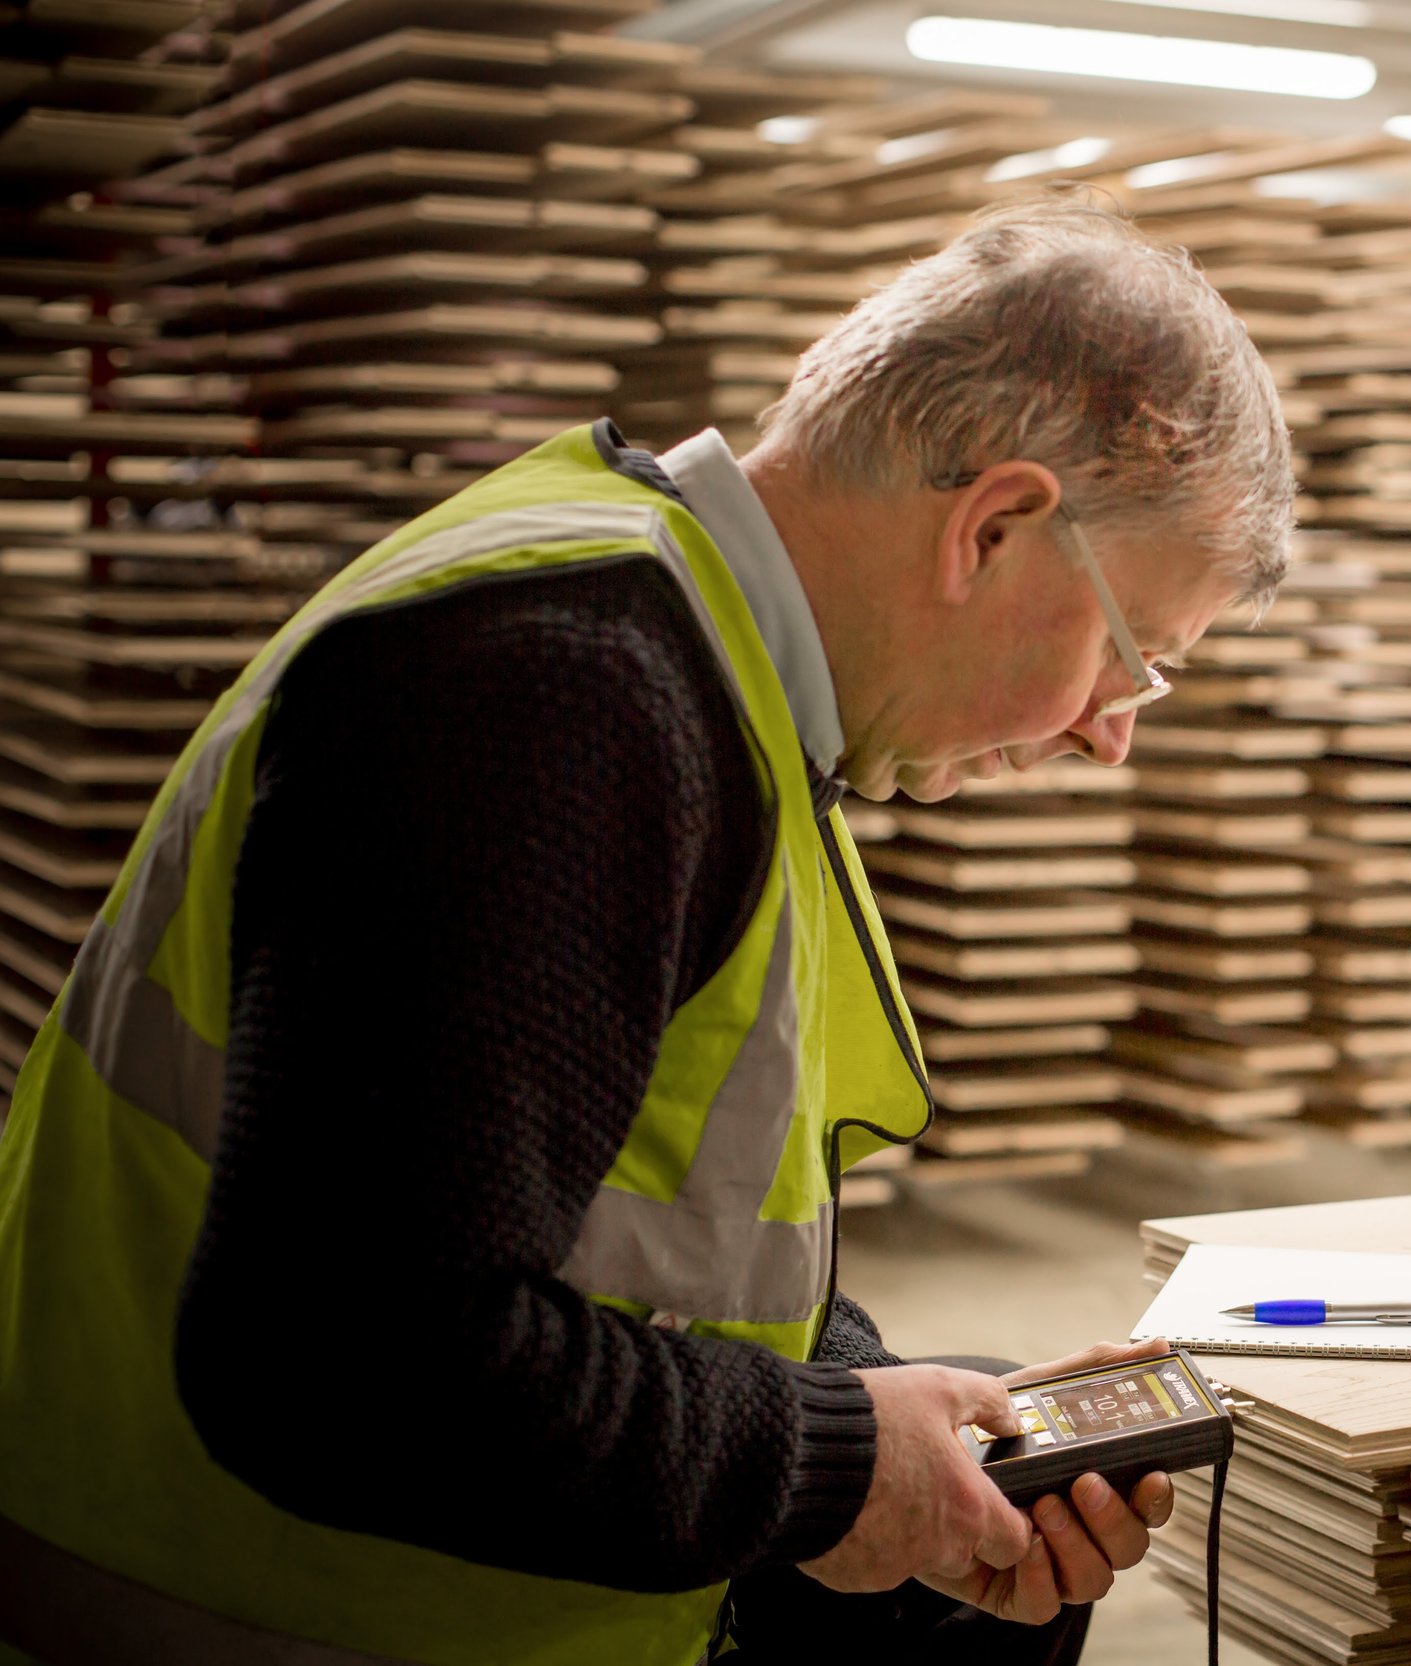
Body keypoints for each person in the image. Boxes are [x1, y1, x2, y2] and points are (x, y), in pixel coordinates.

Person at [0, 194, 1295, 1665]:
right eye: (1133, 660)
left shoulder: (687, 645)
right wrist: (829, 1462)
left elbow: (621, 1222)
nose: (1106, 738)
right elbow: (336, 1359)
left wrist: (885, 1400)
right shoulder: (566, 692)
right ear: (994, 526)